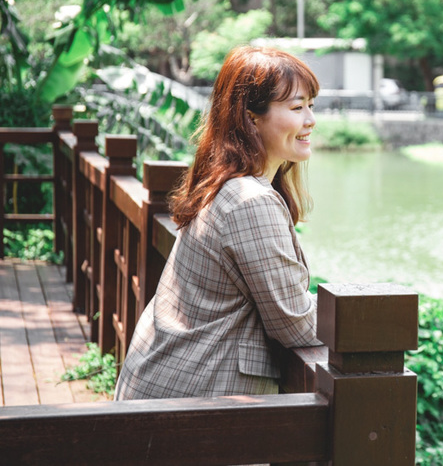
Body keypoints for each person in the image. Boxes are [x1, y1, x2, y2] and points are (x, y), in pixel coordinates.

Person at [115, 46, 322, 400]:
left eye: (311, 106)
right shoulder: (250, 201)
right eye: (296, 107)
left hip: (168, 386)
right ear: (251, 117)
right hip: (195, 401)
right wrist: (354, 316)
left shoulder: (224, 182)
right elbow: (296, 324)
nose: (310, 120)